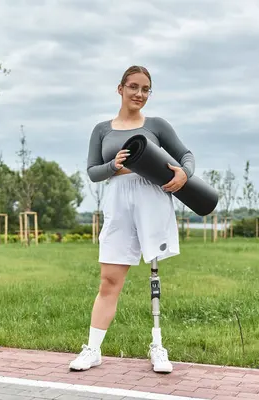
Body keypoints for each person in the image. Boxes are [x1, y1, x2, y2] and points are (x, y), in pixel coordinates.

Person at [69, 65, 195, 374]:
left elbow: (186, 156)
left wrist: (184, 174)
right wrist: (114, 165)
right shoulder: (103, 129)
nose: (139, 94)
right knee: (109, 279)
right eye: (133, 87)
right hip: (118, 201)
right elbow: (93, 172)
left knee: (154, 274)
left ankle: (158, 347)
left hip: (151, 199)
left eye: (145, 89)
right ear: (120, 89)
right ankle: (93, 349)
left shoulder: (157, 125)